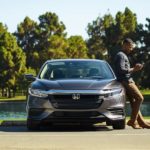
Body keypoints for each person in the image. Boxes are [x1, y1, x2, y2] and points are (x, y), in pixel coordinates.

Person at [114, 38, 150, 129]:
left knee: (134, 102)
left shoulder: (123, 55)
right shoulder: (121, 55)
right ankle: (132, 121)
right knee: (140, 98)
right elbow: (121, 70)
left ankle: (141, 123)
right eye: (130, 47)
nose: (131, 49)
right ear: (125, 45)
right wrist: (134, 69)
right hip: (126, 81)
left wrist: (135, 69)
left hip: (126, 81)